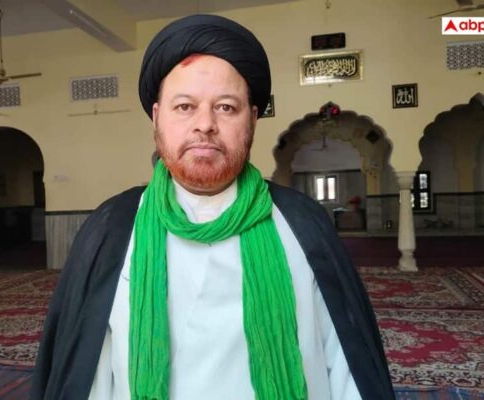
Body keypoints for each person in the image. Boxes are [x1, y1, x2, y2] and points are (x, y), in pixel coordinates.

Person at [31, 14, 394, 400]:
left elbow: (347, 367)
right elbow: (86, 375)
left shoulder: (302, 223)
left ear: (252, 119)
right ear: (157, 118)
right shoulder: (113, 228)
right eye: (184, 106)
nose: (205, 124)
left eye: (226, 107)